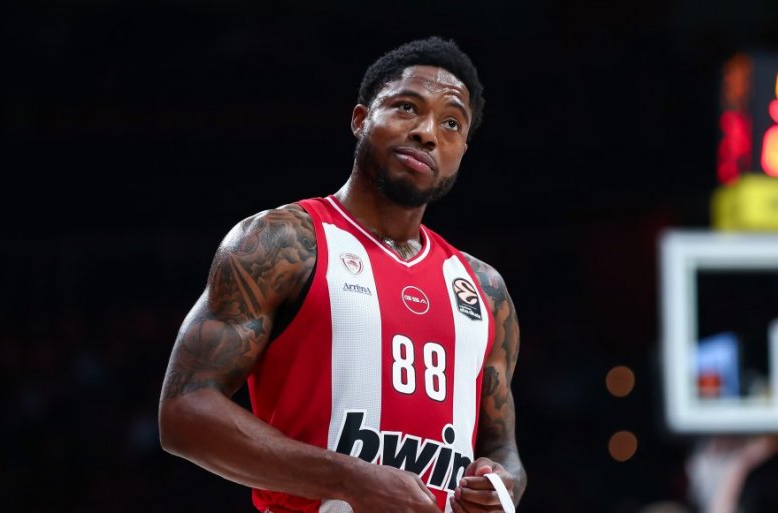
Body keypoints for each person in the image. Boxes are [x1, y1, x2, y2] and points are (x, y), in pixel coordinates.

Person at [158, 36, 527, 513]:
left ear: (462, 151)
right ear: (360, 119)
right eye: (407, 107)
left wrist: (500, 484)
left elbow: (504, 450)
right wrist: (350, 480)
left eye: (451, 123)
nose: (427, 133)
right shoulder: (282, 242)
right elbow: (183, 410)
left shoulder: (485, 289)